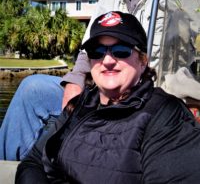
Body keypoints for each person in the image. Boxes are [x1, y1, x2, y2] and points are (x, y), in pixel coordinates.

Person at [0, 0, 199, 161]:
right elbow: (86, 52)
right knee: (33, 90)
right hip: (101, 92)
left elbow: (194, 57)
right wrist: (73, 84)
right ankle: (11, 169)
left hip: (149, 99)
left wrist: (192, 102)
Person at [15, 11, 200, 184]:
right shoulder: (80, 105)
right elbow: (33, 163)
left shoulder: (165, 116)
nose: (108, 60)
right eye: (97, 51)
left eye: (121, 50)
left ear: (143, 61)